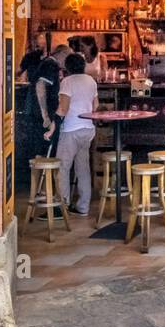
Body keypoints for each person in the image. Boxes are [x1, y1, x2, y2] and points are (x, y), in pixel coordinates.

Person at [54, 53, 99, 216]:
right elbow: (95, 105)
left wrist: (53, 121)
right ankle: (83, 207)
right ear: (83, 65)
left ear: (67, 67)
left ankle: (62, 206)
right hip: (87, 129)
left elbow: (63, 108)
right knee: (83, 168)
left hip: (71, 129)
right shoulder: (91, 81)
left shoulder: (67, 82)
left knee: (63, 167)